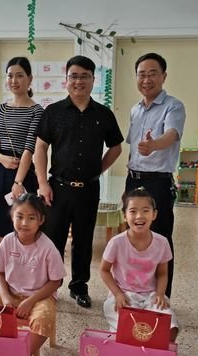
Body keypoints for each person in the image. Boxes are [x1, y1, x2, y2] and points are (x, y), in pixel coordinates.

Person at [34, 55, 124, 309]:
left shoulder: (103, 114)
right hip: (58, 187)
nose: (79, 81)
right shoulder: (53, 112)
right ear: (66, 80)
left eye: (85, 76)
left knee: (83, 240)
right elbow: (40, 147)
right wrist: (42, 183)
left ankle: (79, 287)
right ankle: (50, 286)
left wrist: (98, 170)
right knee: (54, 238)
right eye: (74, 76)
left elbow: (116, 147)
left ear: (93, 80)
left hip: (88, 188)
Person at [125, 53, 185, 299]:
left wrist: (154, 145)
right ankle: (134, 290)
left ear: (163, 76)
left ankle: (162, 297)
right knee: (133, 236)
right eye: (142, 74)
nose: (146, 80)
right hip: (133, 180)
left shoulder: (173, 106)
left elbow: (171, 134)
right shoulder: (135, 109)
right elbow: (132, 146)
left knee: (160, 239)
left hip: (157, 182)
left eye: (152, 74)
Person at [0, 193, 65, 356]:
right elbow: (0, 273)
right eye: (19, 216)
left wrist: (30, 302)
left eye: (31, 218)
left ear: (41, 220)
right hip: (10, 293)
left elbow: (56, 282)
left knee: (43, 320)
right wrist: (5, 298)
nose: (24, 223)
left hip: (40, 297)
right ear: (12, 216)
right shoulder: (7, 241)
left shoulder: (48, 247)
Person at [100, 188, 178, 341]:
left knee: (170, 327)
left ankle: (159, 353)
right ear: (124, 216)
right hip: (124, 295)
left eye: (145, 211)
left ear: (154, 214)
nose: (139, 216)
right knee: (129, 328)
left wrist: (160, 294)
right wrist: (118, 294)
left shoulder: (162, 242)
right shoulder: (116, 242)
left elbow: (162, 273)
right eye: (133, 211)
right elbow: (104, 270)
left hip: (151, 295)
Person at [0, 57, 43, 239]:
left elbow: (29, 148)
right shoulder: (1, 109)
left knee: (23, 226)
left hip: (21, 172)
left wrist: (18, 183)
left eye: (19, 76)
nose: (14, 80)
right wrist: (1, 158)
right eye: (10, 76)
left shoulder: (37, 111)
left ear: (30, 79)